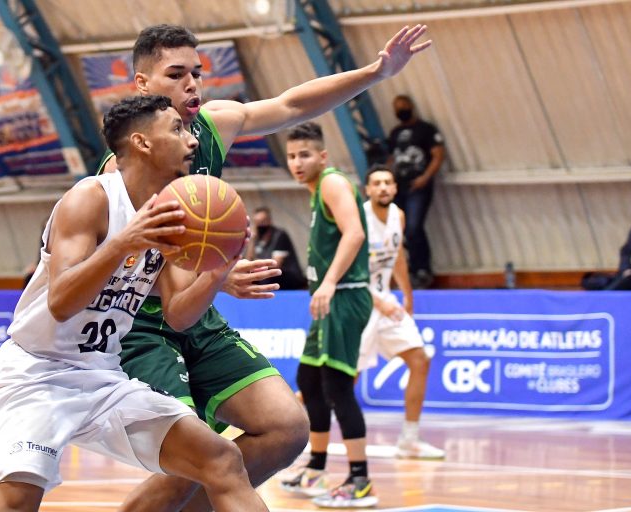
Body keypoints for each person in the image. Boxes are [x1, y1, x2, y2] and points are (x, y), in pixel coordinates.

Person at [99, 24, 432, 512]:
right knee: (202, 455)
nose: (191, 83)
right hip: (141, 326)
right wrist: (218, 276)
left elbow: (292, 105)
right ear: (142, 84)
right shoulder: (121, 174)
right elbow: (149, 285)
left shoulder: (213, 125)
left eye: (197, 73)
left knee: (287, 427)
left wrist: (375, 72)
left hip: (197, 315)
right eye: (176, 74)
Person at [0, 95, 268, 512]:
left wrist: (215, 275)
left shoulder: (174, 214)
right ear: (142, 142)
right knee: (13, 504)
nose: (192, 140)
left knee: (222, 460)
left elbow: (178, 314)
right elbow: (61, 302)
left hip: (103, 376)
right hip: (37, 372)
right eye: (177, 129)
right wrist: (124, 242)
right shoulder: (90, 198)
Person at [280, 122, 376, 508]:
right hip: (331, 298)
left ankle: (360, 480)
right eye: (291, 156)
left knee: (337, 387)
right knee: (309, 379)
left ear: (322, 156)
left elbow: (355, 234)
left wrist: (330, 282)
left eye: (305, 155)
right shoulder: (316, 191)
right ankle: (316, 468)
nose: (297, 162)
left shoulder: (332, 183)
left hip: (346, 296)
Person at [358, 165, 445, 459]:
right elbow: (348, 270)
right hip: (359, 302)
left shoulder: (399, 215)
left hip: (386, 302)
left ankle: (409, 439)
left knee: (420, 360)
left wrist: (407, 294)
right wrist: (376, 300)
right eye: (377, 183)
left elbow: (397, 258)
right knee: (343, 379)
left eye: (388, 182)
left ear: (395, 188)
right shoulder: (358, 218)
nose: (383, 187)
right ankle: (295, 421)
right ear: (368, 190)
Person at [386, 94, 445, 289]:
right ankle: (411, 269)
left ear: (411, 106)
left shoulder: (425, 129)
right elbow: (391, 159)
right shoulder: (395, 133)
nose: (400, 110)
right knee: (401, 229)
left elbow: (438, 155)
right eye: (397, 108)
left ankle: (423, 269)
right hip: (399, 187)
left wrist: (425, 177)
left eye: (403, 106)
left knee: (414, 227)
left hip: (418, 187)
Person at [247, 206, 306, 290]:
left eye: (263, 221)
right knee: (248, 276)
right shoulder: (256, 238)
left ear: (269, 221)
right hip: (267, 274)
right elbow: (249, 260)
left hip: (288, 276)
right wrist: (252, 240)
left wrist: (256, 264)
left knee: (266, 275)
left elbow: (276, 264)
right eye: (257, 222)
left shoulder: (279, 235)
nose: (260, 225)